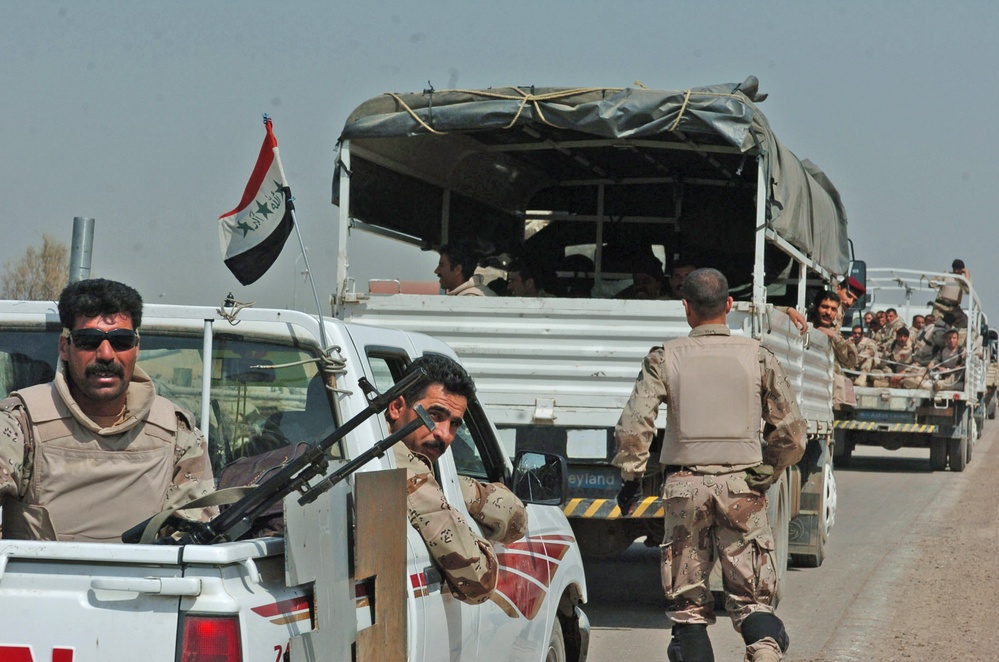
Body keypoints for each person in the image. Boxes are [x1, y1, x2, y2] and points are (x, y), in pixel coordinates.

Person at [612, 268, 806, 662]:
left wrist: (632, 476)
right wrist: (767, 470)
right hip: (742, 488)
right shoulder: (758, 356)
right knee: (752, 598)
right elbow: (793, 432)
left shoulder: (664, 358)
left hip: (685, 489)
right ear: (730, 306)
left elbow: (634, 426)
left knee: (688, 607)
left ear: (686, 308)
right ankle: (766, 651)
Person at [0, 278, 216, 542]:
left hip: (144, 582)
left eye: (120, 340)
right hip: (36, 582)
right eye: (88, 340)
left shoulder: (176, 431)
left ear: (136, 347)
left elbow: (197, 543)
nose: (105, 354)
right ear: (64, 347)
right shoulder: (20, 423)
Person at [386, 354, 527, 604]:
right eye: (435, 415)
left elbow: (517, 519)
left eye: (454, 425)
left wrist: (460, 491)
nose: (444, 434)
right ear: (397, 407)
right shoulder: (401, 468)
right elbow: (478, 582)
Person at [932, 259, 971, 329]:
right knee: (934, 324)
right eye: (955, 269)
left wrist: (966, 273)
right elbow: (932, 284)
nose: (956, 271)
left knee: (965, 321)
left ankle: (954, 336)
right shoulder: (946, 275)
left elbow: (969, 290)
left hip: (954, 308)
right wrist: (935, 282)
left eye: (958, 269)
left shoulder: (962, 280)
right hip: (940, 306)